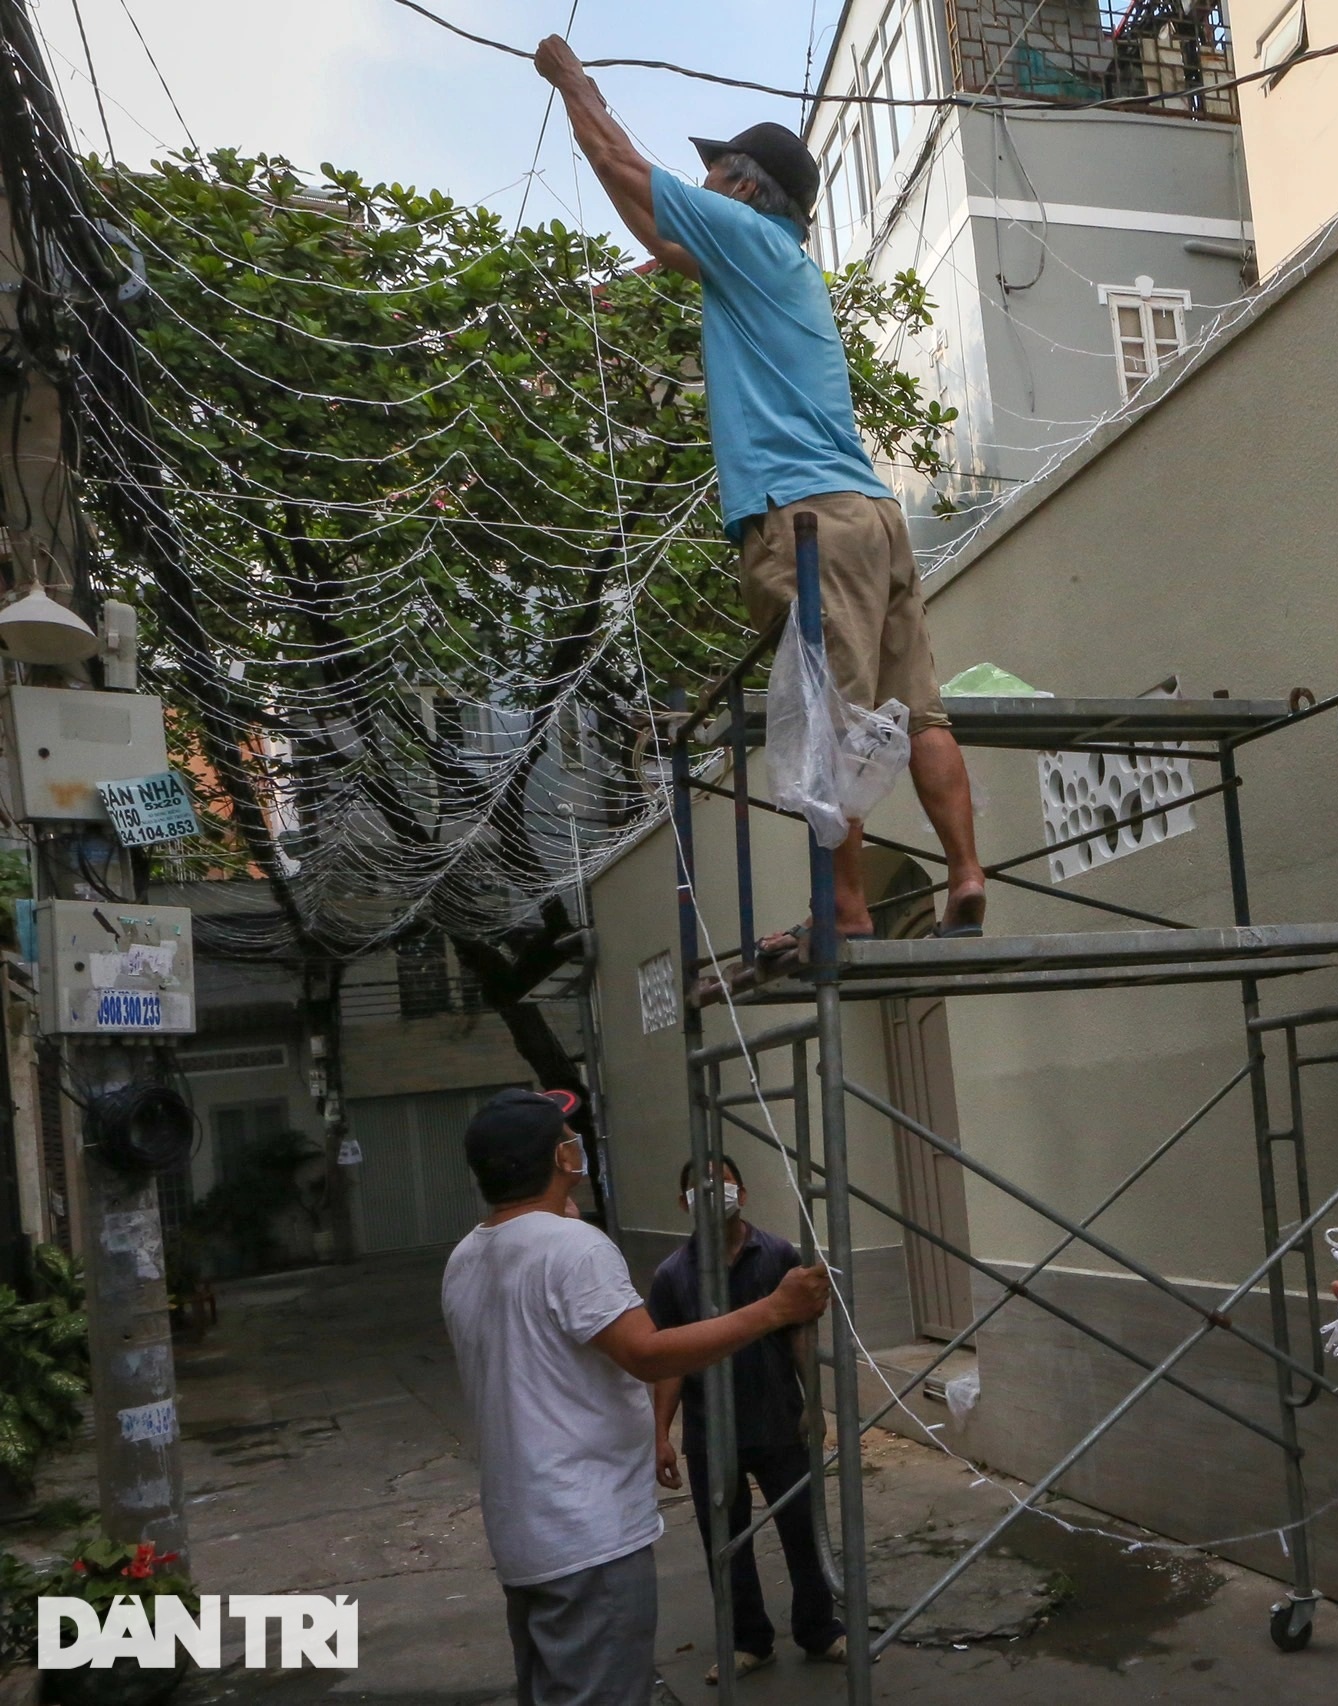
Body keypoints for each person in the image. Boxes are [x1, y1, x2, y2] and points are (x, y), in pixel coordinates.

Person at [535, 35, 986, 951]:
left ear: (744, 186)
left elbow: (623, 166)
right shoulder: (775, 261)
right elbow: (659, 231)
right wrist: (645, 267)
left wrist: (572, 81)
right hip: (875, 520)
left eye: (715, 172)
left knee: (828, 719)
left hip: (805, 519)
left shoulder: (742, 238)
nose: (702, 185)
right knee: (919, 709)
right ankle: (967, 876)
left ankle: (848, 909)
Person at [442, 1088, 830, 1706]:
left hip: (524, 1532)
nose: (578, 1150)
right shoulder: (575, 1248)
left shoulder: (467, 1255)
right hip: (584, 1532)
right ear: (562, 1159)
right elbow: (647, 1354)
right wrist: (775, 1308)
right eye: (569, 1141)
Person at [647, 1159, 845, 1677]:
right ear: (683, 1202)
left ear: (744, 1191)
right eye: (698, 1185)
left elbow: (801, 1334)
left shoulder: (778, 1255)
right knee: (725, 1543)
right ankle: (749, 1641)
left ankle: (820, 1631)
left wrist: (813, 1404)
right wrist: (661, 1434)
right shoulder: (672, 1275)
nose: (713, 1191)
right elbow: (667, 1359)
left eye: (722, 1180)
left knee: (804, 1529)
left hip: (778, 1420)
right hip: (711, 1434)